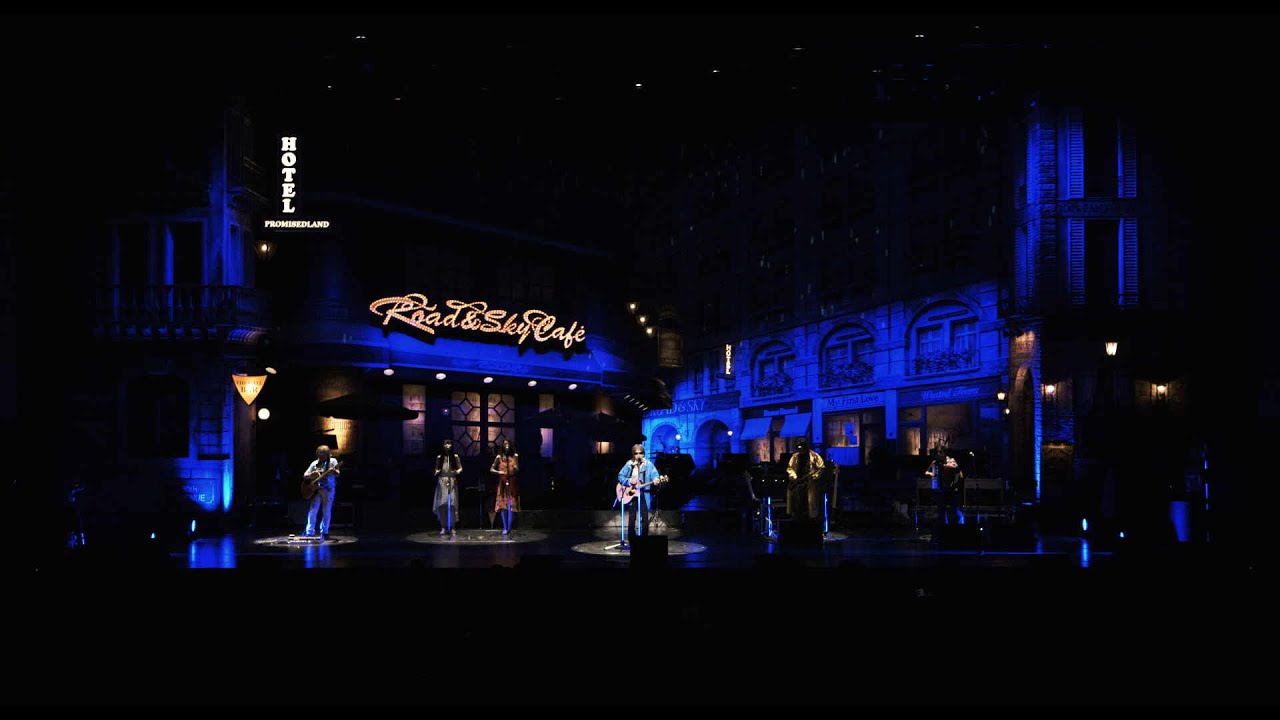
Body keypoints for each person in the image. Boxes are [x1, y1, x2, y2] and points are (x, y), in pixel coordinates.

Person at [615, 443, 663, 539]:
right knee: (632, 516)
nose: (638, 455)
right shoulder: (629, 464)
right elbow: (620, 476)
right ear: (633, 454)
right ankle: (631, 538)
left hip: (643, 493)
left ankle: (644, 539)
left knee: (645, 516)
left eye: (640, 453)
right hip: (631, 493)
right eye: (636, 453)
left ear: (643, 454)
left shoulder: (648, 464)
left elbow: (655, 475)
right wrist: (629, 481)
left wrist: (656, 479)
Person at [302, 445, 340, 539]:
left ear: (327, 454)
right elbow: (305, 475)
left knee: (326, 510)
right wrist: (311, 474)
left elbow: (338, 473)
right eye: (320, 454)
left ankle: (324, 531)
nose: (321, 456)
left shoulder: (332, 461)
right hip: (316, 489)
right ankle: (309, 531)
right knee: (313, 510)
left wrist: (334, 471)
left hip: (328, 489)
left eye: (324, 454)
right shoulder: (314, 463)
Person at [785, 439, 825, 519]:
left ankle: (811, 518)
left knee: (810, 502)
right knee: (796, 501)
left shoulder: (814, 456)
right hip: (798, 483)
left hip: (810, 483)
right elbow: (790, 468)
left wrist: (814, 476)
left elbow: (821, 468)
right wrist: (794, 478)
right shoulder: (795, 457)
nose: (801, 450)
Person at [490, 438, 520, 536]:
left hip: (511, 481)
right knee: (503, 506)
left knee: (511, 505)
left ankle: (509, 527)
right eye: (504, 444)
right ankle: (505, 527)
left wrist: (515, 468)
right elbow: (491, 469)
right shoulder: (499, 457)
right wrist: (499, 472)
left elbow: (517, 469)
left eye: (508, 444)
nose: (506, 445)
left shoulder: (515, 456)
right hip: (502, 481)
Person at [434, 438, 462, 537]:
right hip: (442, 481)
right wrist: (437, 471)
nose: (447, 445)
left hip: (452, 480)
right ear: (443, 446)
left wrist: (456, 472)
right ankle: (443, 526)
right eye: (446, 444)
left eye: (449, 444)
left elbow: (460, 468)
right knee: (442, 504)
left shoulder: (455, 456)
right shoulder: (439, 457)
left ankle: (453, 527)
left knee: (452, 504)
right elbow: (436, 469)